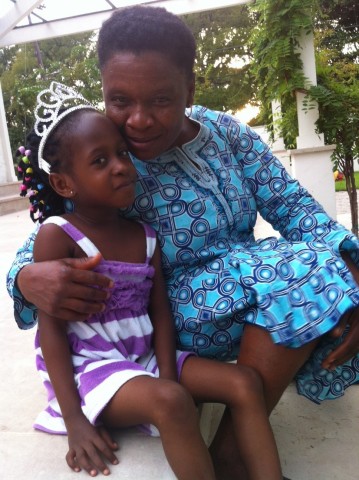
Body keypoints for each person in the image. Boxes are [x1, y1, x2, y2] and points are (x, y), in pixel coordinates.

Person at [6, 5, 359, 479]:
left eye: (159, 100)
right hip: (167, 316)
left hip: (247, 297)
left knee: (317, 270)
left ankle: (238, 446)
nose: (138, 120)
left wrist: (350, 279)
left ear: (189, 91)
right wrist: (27, 278)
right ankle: (233, 459)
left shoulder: (228, 135)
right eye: (120, 100)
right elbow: (48, 240)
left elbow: (294, 208)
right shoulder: (110, 162)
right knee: (301, 276)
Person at [18, 80, 283, 479]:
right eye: (100, 161)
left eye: (121, 154)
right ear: (63, 183)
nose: (121, 166)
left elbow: (160, 314)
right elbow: (51, 332)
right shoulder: (59, 235)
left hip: (140, 359)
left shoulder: (144, 234)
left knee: (244, 383)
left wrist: (168, 374)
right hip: (89, 368)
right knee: (173, 402)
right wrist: (75, 419)